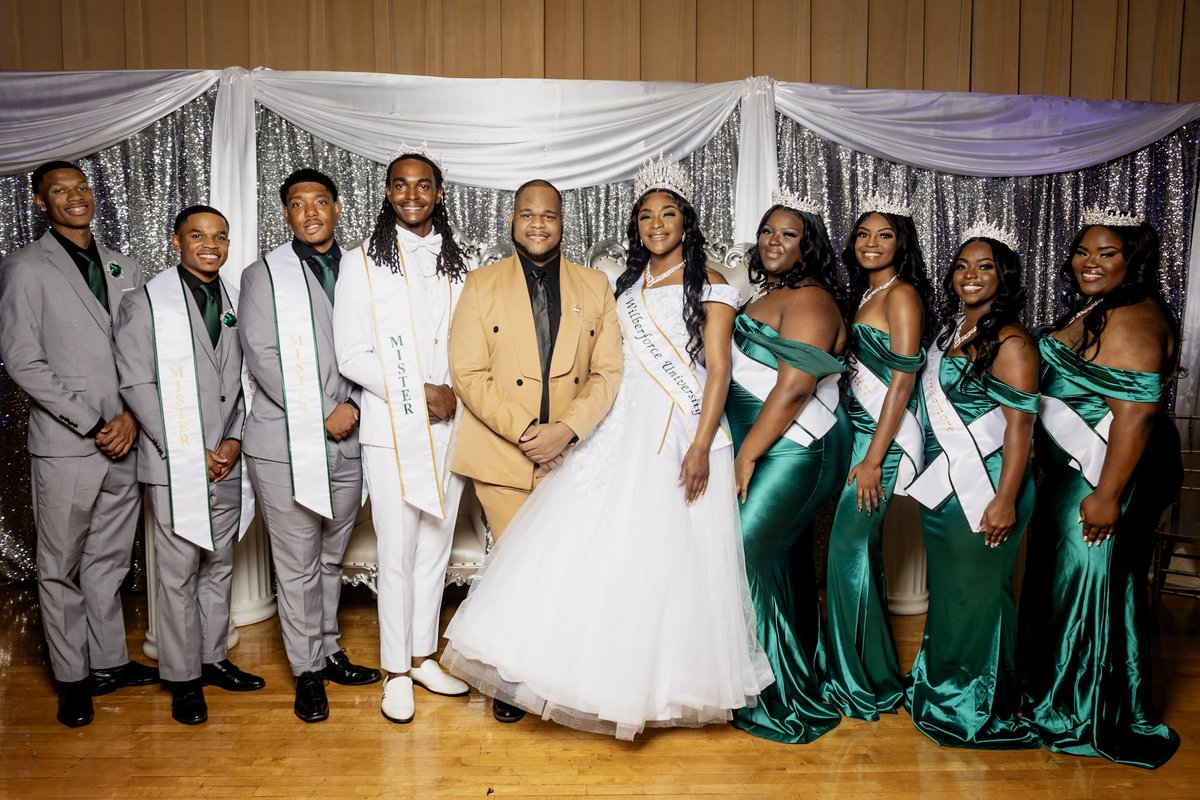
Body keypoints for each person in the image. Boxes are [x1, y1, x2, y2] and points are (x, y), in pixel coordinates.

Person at [442, 157, 772, 740]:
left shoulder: (713, 282)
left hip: (675, 434)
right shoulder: (626, 284)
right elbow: (610, 367)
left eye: (668, 213)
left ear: (687, 221)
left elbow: (717, 370)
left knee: (668, 560)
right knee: (597, 554)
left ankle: (660, 682)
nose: (656, 224)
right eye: (645, 216)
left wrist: (699, 447)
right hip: (618, 429)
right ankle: (568, 669)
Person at [444, 177, 623, 723]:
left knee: (566, 567)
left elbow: (609, 372)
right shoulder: (481, 284)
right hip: (503, 453)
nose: (538, 223)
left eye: (548, 214)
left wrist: (566, 430)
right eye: (528, 214)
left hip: (572, 454)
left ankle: (558, 673)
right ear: (512, 221)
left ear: (563, 221)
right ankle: (506, 677)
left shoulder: (596, 285)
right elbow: (467, 372)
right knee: (512, 566)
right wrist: (529, 432)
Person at [1019, 211, 1181, 768]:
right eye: (1083, 252)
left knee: (1091, 581)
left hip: (1104, 474)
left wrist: (1108, 495)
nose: (1090, 262)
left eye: (1106, 253)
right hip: (1075, 472)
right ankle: (1056, 693)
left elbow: (1133, 417)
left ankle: (1081, 709)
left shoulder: (1134, 318)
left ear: (1132, 261)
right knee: (1069, 580)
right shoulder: (1100, 308)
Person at [0, 160, 156, 728]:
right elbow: (23, 361)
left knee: (109, 561)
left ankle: (110, 661)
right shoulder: (24, 267)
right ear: (41, 203)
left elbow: (143, 351)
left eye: (82, 188)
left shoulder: (125, 266)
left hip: (128, 435)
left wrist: (134, 418)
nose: (75, 198)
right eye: (60, 191)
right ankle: (72, 679)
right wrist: (93, 423)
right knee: (59, 565)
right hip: (71, 443)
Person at [333, 149, 473, 724]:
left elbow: (471, 347)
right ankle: (393, 670)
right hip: (393, 431)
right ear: (387, 192)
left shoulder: (459, 266)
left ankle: (421, 655)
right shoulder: (359, 262)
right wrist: (421, 391)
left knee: (436, 549)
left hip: (450, 427)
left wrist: (455, 395)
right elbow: (352, 354)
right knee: (397, 551)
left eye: (423, 185)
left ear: (439, 193)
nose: (411, 194)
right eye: (400, 185)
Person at [239, 169, 381, 724]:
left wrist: (357, 411)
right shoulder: (262, 276)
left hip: (351, 442)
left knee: (328, 558)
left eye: (319, 201)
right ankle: (306, 671)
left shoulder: (363, 271)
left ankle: (327, 649)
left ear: (338, 207)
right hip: (286, 444)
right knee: (296, 562)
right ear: (286, 216)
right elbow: (262, 354)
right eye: (297, 204)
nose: (310, 212)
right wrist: (325, 411)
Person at [114, 205, 263, 726]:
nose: (211, 245)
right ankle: (182, 678)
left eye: (220, 237)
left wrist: (236, 442)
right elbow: (135, 383)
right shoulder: (144, 303)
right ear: (175, 241)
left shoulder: (240, 303)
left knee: (218, 565)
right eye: (198, 236)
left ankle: (213, 658)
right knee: (177, 573)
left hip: (225, 459)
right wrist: (184, 446)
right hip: (172, 461)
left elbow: (249, 380)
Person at [904, 225, 1040, 749]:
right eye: (962, 266)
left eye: (984, 267)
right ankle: (943, 690)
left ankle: (981, 707)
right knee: (954, 595)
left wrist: (1005, 500)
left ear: (1003, 277)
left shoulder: (1012, 341)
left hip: (987, 487)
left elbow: (1019, 428)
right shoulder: (950, 332)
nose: (970, 276)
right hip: (946, 485)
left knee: (981, 596)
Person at [726, 191, 849, 744]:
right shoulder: (772, 293)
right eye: (767, 232)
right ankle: (782, 674)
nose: (773, 242)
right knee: (779, 562)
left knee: (743, 553)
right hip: (768, 443)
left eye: (789, 234)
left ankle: (773, 694)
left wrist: (747, 453)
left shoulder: (812, 299)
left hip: (794, 447)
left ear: (809, 245)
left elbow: (798, 386)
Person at [822, 202, 933, 720]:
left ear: (900, 243)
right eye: (863, 234)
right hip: (858, 436)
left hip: (877, 446)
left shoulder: (902, 295)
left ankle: (856, 681)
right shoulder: (867, 293)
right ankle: (871, 671)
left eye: (884, 235)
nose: (871, 242)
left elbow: (903, 381)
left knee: (847, 552)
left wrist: (872, 460)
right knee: (859, 554)